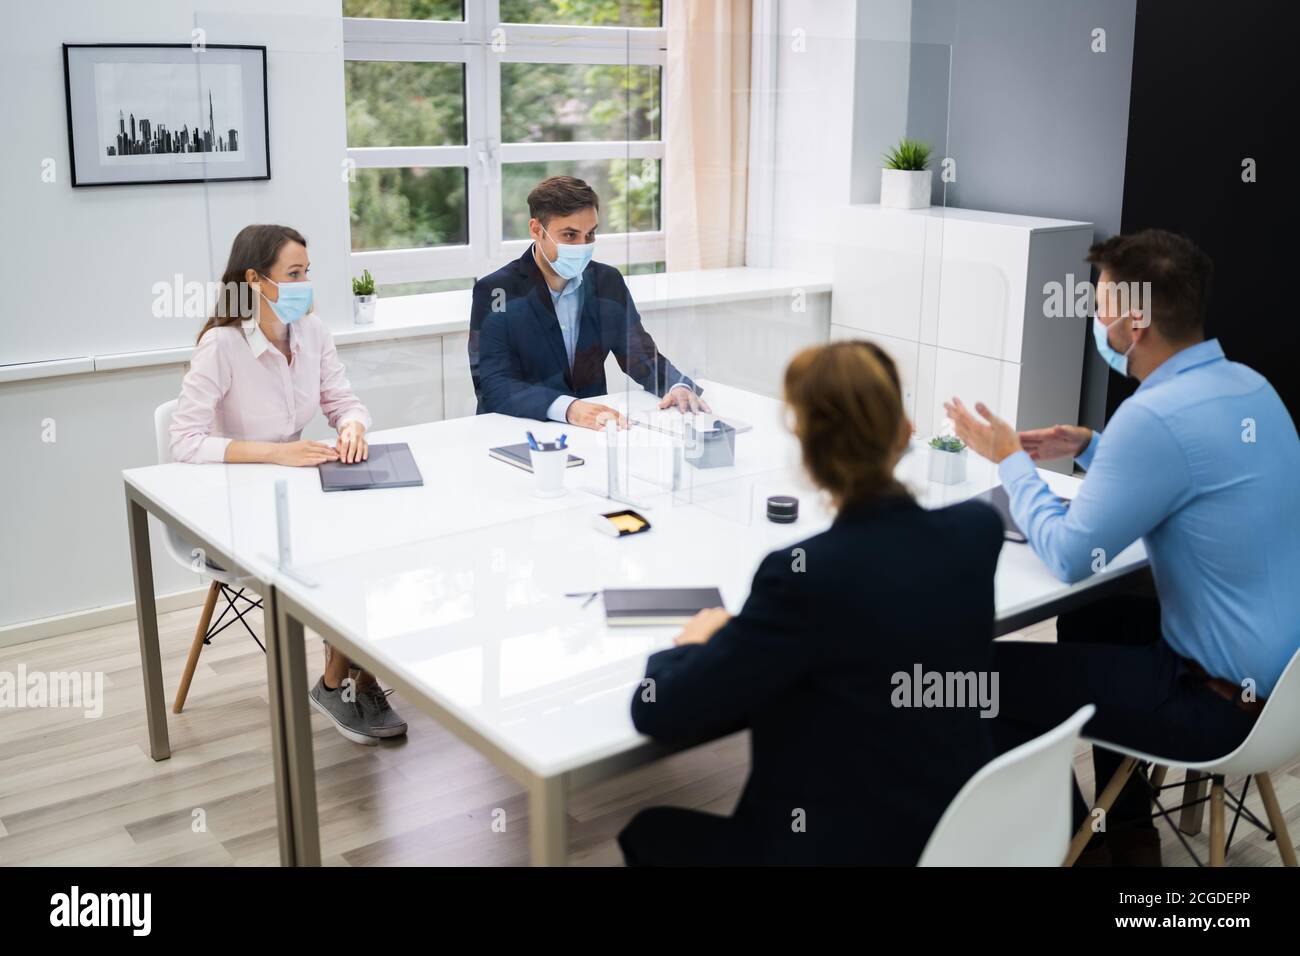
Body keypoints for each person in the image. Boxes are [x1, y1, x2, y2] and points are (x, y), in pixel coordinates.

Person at [944, 229, 1300, 865]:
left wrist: (1008, 462)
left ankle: (1084, 847)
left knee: (974, 682)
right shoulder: (1253, 389)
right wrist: (1091, 447)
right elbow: (1195, 475)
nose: (1094, 318)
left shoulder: (1154, 416)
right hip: (1282, 697)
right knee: (1094, 614)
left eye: (1101, 306)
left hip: (1214, 709)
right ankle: (1129, 830)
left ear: (1134, 322)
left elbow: (1070, 555)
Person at [618, 340, 1005, 865]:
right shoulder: (976, 533)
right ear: (906, 430)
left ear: (804, 449)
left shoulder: (803, 577)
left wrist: (692, 644)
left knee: (649, 831)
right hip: (957, 834)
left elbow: (657, 709)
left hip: (834, 849)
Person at [171, 223, 408, 746]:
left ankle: (348, 678)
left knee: (373, 532)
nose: (305, 284)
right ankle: (346, 681)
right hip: (233, 509)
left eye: (307, 273)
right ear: (255, 280)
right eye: (294, 274)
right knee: (342, 548)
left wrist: (351, 427)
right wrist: (280, 454)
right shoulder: (222, 345)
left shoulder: (313, 332)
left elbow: (343, 400)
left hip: (296, 492)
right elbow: (184, 442)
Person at [468, 175, 707, 429]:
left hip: (591, 431)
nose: (583, 246)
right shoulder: (497, 290)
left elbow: (640, 355)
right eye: (570, 235)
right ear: (537, 230)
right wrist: (569, 408)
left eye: (590, 234)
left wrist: (677, 384)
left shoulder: (607, 281)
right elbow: (493, 384)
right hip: (517, 430)